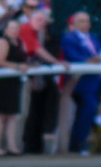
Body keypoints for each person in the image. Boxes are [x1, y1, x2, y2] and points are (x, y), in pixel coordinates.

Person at [19, 9, 67, 154]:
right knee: (22, 114)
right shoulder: (26, 29)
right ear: (31, 19)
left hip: (32, 76)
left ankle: (32, 146)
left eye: (44, 21)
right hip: (21, 78)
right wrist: (56, 62)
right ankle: (21, 147)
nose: (42, 23)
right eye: (39, 20)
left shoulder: (36, 32)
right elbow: (37, 50)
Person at [60, 12, 101, 154]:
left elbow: (100, 52)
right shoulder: (69, 38)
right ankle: (77, 143)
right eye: (81, 21)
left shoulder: (94, 37)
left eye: (87, 21)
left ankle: (84, 143)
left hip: (96, 81)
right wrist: (89, 61)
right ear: (74, 23)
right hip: (79, 82)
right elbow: (72, 56)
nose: (85, 24)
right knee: (87, 109)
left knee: (90, 111)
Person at [0, 20, 28, 155]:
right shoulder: (3, 42)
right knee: (1, 116)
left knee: (12, 116)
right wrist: (16, 67)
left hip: (14, 82)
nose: (14, 30)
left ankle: (11, 146)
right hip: (3, 82)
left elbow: (23, 59)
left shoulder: (20, 42)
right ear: (6, 29)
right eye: (11, 28)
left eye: (16, 28)